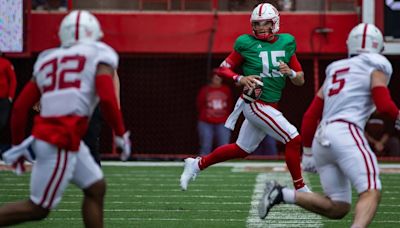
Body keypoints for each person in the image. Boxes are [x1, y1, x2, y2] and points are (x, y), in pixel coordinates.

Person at [259, 23, 400, 228]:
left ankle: (282, 194)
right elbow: (384, 106)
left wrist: (307, 153)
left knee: (338, 206)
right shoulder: (376, 64)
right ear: (378, 46)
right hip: (347, 131)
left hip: (322, 137)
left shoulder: (337, 68)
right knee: (371, 190)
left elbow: (310, 115)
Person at [0, 10, 131, 227]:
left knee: (96, 187)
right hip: (60, 138)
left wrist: (16, 144)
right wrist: (120, 132)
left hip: (61, 136)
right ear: (94, 32)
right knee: (38, 208)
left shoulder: (48, 59)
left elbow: (20, 108)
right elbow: (107, 97)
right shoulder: (100, 54)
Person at [181, 2, 310, 192]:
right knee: (294, 139)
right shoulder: (246, 43)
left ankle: (197, 164)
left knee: (241, 149)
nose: (260, 27)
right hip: (255, 103)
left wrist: (290, 72)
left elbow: (300, 80)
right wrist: (240, 78)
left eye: (264, 23)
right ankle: (300, 189)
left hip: (271, 105)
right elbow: (223, 69)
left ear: (274, 23)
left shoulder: (287, 42)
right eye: (256, 24)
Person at [196, 71, 233, 156]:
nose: (217, 79)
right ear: (211, 78)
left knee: (224, 145)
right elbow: (199, 104)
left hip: (222, 122)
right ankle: (202, 164)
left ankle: (223, 164)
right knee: (206, 145)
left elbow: (230, 104)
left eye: (219, 77)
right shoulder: (205, 89)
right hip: (206, 122)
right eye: (215, 77)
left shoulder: (226, 89)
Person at [0, 50, 17, 150]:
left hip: (4, 99)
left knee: (2, 122)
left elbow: (13, 80)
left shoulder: (6, 63)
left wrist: (10, 96)